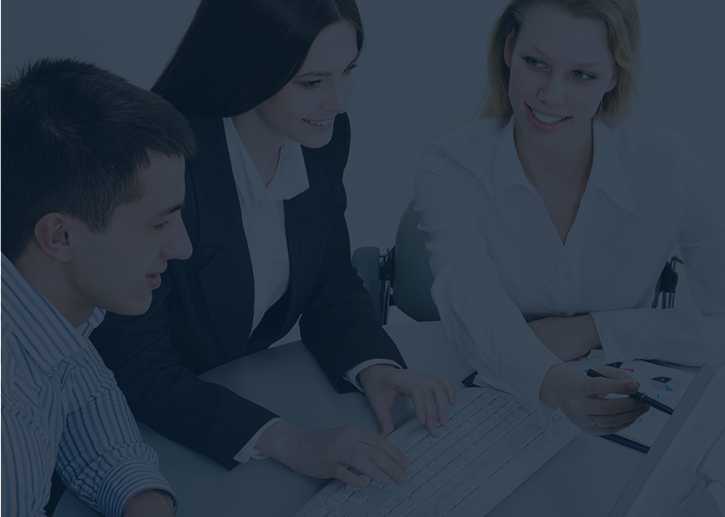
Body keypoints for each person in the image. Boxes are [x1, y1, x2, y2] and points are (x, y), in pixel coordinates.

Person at [92, 0, 453, 488]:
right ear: (248, 69)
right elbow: (138, 366)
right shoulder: (164, 166)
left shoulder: (322, 139)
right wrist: (291, 442)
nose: (338, 101)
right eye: (313, 83)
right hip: (133, 431)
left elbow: (328, 280)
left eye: (347, 72)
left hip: (229, 401)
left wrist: (375, 367)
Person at [413, 0, 724, 434]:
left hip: (625, 401)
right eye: (536, 63)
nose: (551, 94)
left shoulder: (668, 166)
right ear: (508, 51)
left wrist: (597, 329)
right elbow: (470, 302)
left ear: (614, 76)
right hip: (492, 394)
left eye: (582, 75)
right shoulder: (452, 165)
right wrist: (553, 383)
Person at [1, 58, 195, 516]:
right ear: (60, 237)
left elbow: (87, 405)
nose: (183, 248)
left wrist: (144, 500)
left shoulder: (45, 311)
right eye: (159, 224)